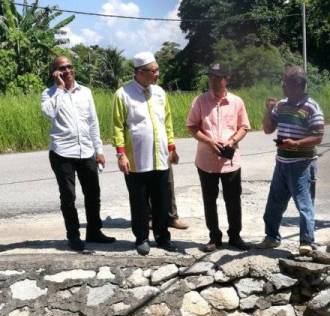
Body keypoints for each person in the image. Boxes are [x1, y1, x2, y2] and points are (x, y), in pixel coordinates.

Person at [41, 55, 115, 252]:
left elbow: (93, 123)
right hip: (62, 153)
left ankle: (94, 232)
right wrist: (58, 88)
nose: (67, 71)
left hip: (86, 151)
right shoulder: (48, 94)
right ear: (55, 73)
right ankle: (73, 236)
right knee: (68, 197)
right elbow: (49, 113)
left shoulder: (86, 92)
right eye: (61, 68)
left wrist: (99, 150)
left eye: (69, 67)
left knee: (93, 194)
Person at [112, 51, 179, 256]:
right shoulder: (123, 94)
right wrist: (121, 154)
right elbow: (117, 126)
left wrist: (172, 147)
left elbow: (166, 122)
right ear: (140, 72)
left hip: (160, 158)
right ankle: (141, 238)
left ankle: (162, 236)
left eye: (157, 69)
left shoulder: (160, 93)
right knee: (140, 201)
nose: (157, 74)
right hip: (136, 160)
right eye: (154, 70)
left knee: (162, 200)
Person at [257, 66, 325, 255]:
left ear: (298, 85)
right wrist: (268, 110)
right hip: (282, 162)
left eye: (286, 83)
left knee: (304, 204)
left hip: (302, 163)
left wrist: (295, 144)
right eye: (283, 82)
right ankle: (271, 237)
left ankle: (306, 241)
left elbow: (318, 136)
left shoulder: (311, 107)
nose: (282, 86)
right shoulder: (281, 105)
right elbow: (268, 129)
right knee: (274, 203)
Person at [186, 63, 251, 252]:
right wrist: (209, 141)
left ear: (227, 79)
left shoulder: (237, 102)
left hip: (231, 162)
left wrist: (232, 141)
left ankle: (235, 236)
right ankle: (214, 236)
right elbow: (191, 126)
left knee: (233, 199)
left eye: (218, 78)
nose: (214, 81)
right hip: (206, 161)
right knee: (209, 199)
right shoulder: (200, 101)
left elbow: (244, 127)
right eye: (211, 77)